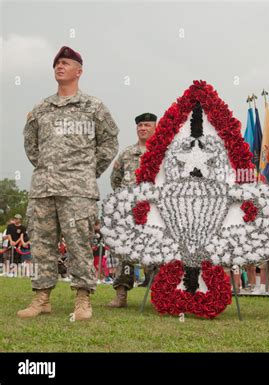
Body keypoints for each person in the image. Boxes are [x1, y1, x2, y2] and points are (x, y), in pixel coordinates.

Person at [18, 46, 119, 320]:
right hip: (43, 188)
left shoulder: (93, 107)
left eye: (65, 63)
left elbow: (109, 141)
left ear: (79, 71)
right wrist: (46, 168)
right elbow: (31, 144)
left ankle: (83, 299)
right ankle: (41, 298)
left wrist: (87, 171)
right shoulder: (41, 108)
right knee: (40, 244)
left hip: (78, 189)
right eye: (56, 64)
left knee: (78, 244)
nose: (59, 67)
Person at [107, 112, 157, 308]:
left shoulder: (162, 153)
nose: (142, 128)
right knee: (124, 252)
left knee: (155, 252)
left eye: (147, 125)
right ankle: (121, 295)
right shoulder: (127, 153)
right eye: (140, 125)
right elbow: (115, 179)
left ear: (155, 128)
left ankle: (157, 296)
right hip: (128, 213)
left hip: (154, 213)